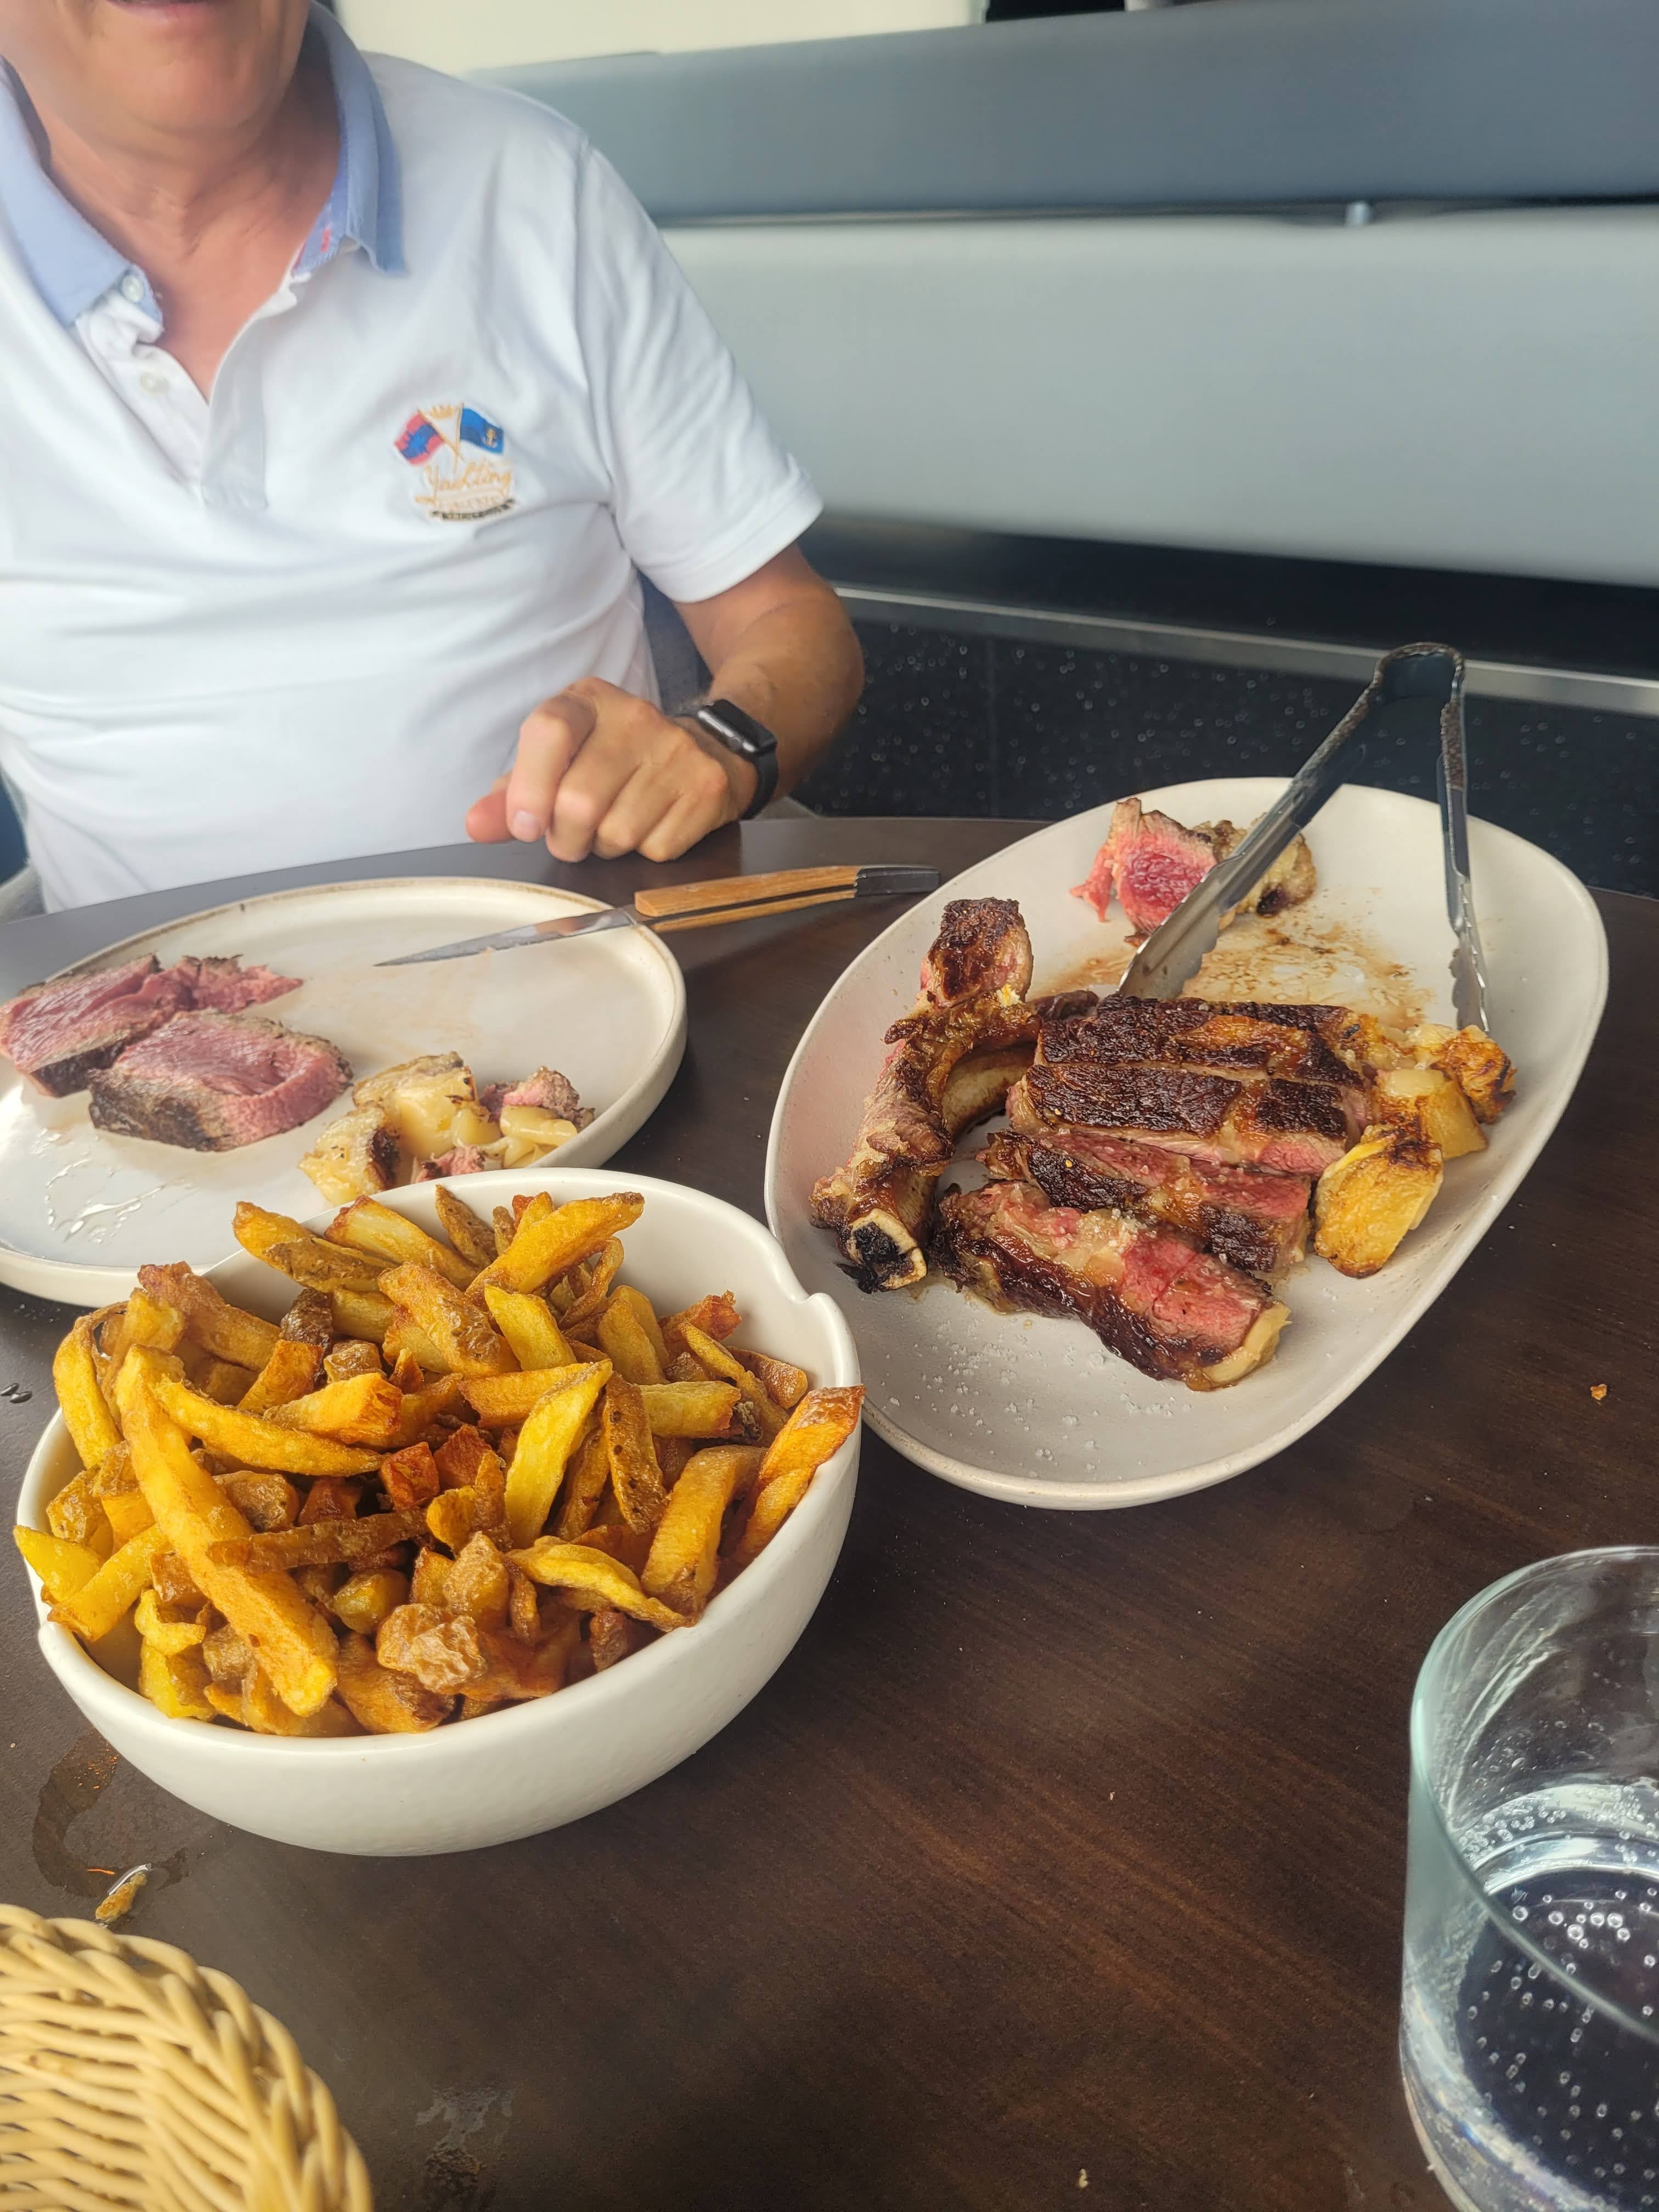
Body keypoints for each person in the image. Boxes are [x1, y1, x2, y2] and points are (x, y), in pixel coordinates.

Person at [0, 0, 863, 911]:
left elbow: (787, 617)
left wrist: (718, 748)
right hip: (130, 990)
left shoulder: (533, 186)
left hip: (586, 956)